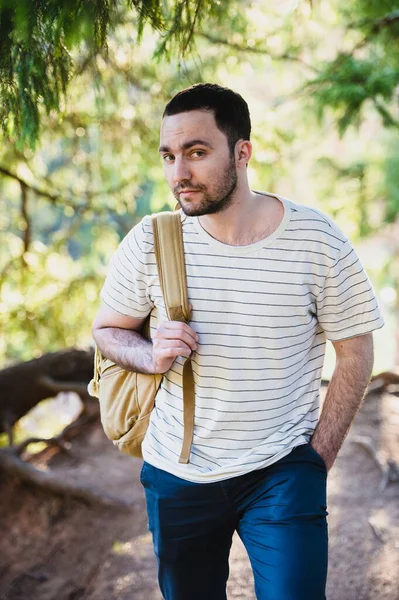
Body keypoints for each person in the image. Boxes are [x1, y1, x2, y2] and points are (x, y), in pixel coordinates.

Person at [92, 83, 384, 600]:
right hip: (177, 472)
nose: (179, 173)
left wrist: (317, 459)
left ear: (242, 152)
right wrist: (150, 353)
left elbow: (356, 350)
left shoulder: (316, 240)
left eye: (197, 153)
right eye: (169, 156)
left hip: (283, 470)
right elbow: (107, 330)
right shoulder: (151, 242)